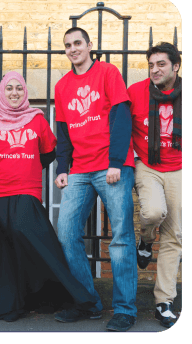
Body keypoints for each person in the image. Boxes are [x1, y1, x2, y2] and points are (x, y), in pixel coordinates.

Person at [0, 71, 98, 322]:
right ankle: (8, 307)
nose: (14, 93)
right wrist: (1, 168)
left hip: (27, 191)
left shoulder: (36, 119)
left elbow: (49, 151)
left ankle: (80, 300)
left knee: (43, 243)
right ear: (1, 92)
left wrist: (25, 168)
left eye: (19, 88)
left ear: (25, 92)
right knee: (4, 250)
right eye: (9, 88)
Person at [54, 27, 137, 332]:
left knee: (121, 238)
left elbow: (121, 116)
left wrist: (117, 161)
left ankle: (126, 309)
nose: (73, 49)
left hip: (111, 167)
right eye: (68, 45)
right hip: (79, 169)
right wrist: (62, 168)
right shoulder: (62, 86)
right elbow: (62, 133)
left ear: (90, 45)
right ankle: (88, 301)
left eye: (78, 43)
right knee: (66, 234)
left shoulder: (107, 72)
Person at [128, 42, 182, 328]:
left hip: (180, 168)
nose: (154, 70)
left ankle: (164, 301)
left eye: (161, 64)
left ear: (175, 66)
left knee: (175, 236)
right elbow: (121, 126)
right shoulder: (136, 92)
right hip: (147, 165)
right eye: (151, 65)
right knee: (151, 212)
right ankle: (146, 240)